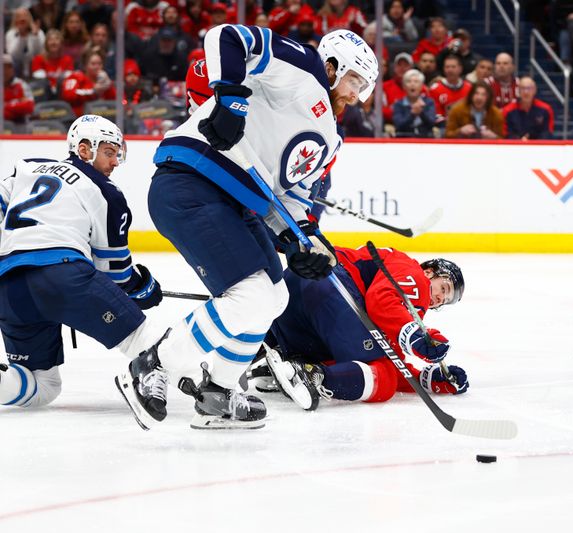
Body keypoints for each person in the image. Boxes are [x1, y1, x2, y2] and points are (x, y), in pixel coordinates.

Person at [115, 26, 379, 431]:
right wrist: (231, 98)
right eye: (354, 81)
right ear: (332, 66)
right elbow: (227, 37)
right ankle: (153, 365)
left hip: (236, 203)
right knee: (252, 294)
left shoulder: (328, 138)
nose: (355, 96)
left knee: (274, 296)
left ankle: (216, 394)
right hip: (193, 179)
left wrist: (303, 242)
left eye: (364, 88)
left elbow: (291, 200)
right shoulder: (305, 66)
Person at [0, 115, 164, 409]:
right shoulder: (105, 192)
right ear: (85, 149)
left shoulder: (27, 167)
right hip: (63, 276)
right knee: (143, 338)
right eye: (109, 152)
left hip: (7, 285)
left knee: (42, 386)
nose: (115, 162)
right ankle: (217, 388)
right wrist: (144, 288)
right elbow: (115, 273)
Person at [251, 246, 468, 407]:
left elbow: (389, 357)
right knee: (384, 379)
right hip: (330, 290)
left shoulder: (402, 310)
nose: (440, 298)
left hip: (293, 295)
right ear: (429, 272)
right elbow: (380, 300)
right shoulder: (414, 276)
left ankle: (275, 363)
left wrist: (424, 379)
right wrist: (418, 336)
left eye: (445, 300)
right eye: (443, 288)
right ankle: (310, 375)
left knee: (379, 364)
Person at [502, 76, 554, 140]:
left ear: (535, 90)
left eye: (529, 88)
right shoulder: (507, 111)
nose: (526, 92)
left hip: (539, 147)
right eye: (522, 88)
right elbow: (506, 134)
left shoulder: (546, 109)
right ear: (518, 91)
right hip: (514, 147)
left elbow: (547, 133)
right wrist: (519, 140)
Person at [393, 68, 437, 138]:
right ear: (404, 86)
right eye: (409, 81)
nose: (412, 84)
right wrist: (412, 114)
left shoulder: (429, 102)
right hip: (404, 140)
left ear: (421, 86)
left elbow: (432, 123)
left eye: (416, 81)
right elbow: (398, 125)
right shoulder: (399, 104)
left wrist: (421, 113)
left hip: (425, 140)